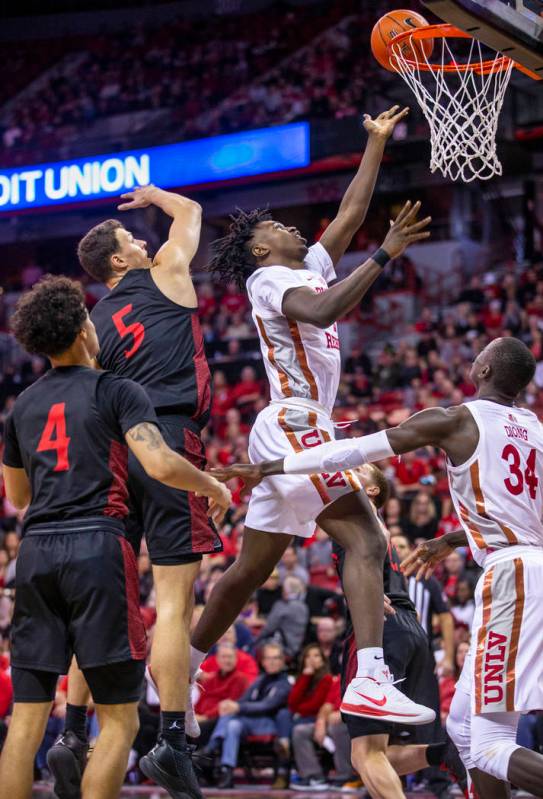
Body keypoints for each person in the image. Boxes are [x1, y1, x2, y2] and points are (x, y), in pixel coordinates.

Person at [191, 106, 435, 726]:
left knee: (250, 570)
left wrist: (376, 144)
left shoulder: (304, 265)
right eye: (278, 225)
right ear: (260, 247)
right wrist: (384, 256)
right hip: (295, 418)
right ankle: (372, 679)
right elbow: (323, 313)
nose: (296, 230)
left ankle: (177, 674)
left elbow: (350, 214)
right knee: (368, 538)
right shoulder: (270, 279)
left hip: (297, 422)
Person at [225, 337, 543, 799]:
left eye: (480, 354)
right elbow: (524, 517)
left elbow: (353, 452)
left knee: (490, 745)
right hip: (525, 564)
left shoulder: (456, 419)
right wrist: (450, 539)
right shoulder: (534, 429)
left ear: (485, 370)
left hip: (511, 574)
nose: (474, 359)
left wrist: (271, 467)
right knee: (463, 729)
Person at [0, 277, 230, 799]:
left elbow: (18, 497)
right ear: (84, 329)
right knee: (121, 720)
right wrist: (211, 483)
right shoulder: (116, 389)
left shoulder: (23, 406)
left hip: (35, 554)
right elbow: (159, 462)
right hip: (97, 548)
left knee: (25, 721)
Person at [52, 183, 221, 797]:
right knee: (174, 599)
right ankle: (172, 741)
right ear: (120, 261)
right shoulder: (169, 272)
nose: (147, 239)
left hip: (113, 454)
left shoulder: (91, 324)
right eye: (133, 238)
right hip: (170, 438)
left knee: (104, 603)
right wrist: (154, 194)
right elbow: (194, 213)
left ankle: (72, 732)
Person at [206, 642, 291, 789]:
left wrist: (237, 707)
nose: (272, 662)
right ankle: (227, 771)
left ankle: (212, 748)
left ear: (282, 661)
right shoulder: (260, 679)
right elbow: (243, 700)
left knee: (231, 716)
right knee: (232, 724)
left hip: (271, 724)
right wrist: (233, 705)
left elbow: (266, 706)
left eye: (276, 658)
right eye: (268, 658)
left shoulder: (283, 683)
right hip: (250, 722)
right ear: (263, 661)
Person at [391, 534, 455, 677]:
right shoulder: (381, 580)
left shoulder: (427, 581)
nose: (398, 550)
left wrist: (448, 658)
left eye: (402, 546)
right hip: (389, 652)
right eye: (393, 546)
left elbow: (445, 617)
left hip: (423, 653)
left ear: (410, 551)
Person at [194, 643, 250, 746]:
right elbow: (202, 698)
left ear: (236, 659)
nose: (227, 660)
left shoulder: (240, 679)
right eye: (223, 657)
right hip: (201, 716)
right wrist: (194, 715)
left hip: (219, 718)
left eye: (230, 657)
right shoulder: (211, 678)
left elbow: (229, 705)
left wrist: (205, 717)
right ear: (217, 659)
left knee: (198, 730)